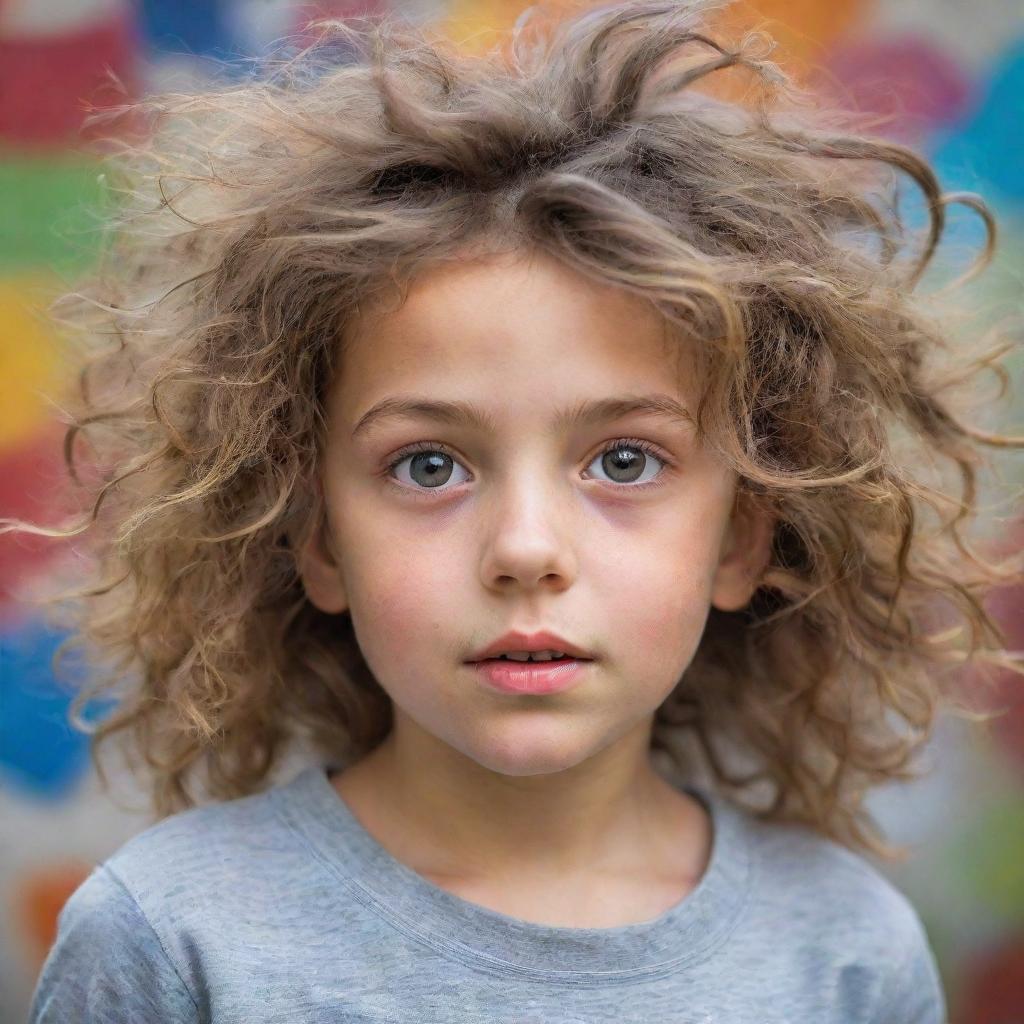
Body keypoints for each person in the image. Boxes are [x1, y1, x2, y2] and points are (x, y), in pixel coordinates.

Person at [11, 0, 1022, 1020]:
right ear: (316, 535)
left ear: (742, 536)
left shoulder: (844, 952)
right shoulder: (170, 942)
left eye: (623, 459)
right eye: (428, 465)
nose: (525, 549)